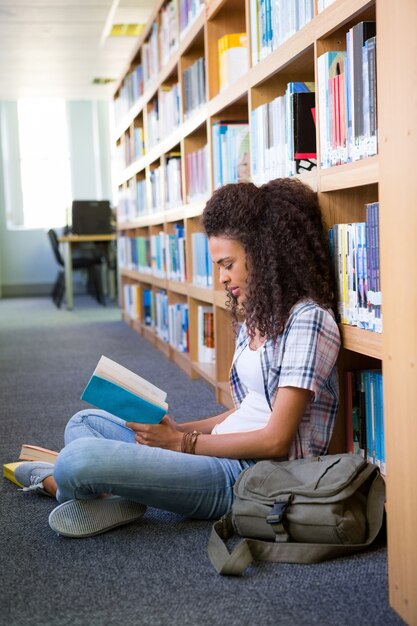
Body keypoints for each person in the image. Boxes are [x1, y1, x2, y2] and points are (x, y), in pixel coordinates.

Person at [15, 177, 341, 538]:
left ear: (264, 252)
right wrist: (178, 430)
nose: (222, 278)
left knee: (76, 460)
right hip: (209, 449)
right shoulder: (260, 314)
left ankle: (54, 484)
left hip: (243, 476)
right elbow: (251, 408)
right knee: (84, 423)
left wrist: (182, 444)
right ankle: (114, 493)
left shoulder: (309, 320)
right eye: (218, 266)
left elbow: (275, 440)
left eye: (228, 264)